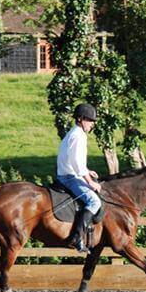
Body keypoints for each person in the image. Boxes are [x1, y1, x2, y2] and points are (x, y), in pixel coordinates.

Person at [57, 102, 102, 253]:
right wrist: (89, 182)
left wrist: (88, 171)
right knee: (94, 201)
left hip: (67, 173)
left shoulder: (73, 133)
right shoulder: (78, 136)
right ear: (81, 119)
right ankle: (76, 237)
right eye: (90, 120)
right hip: (70, 178)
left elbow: (74, 160)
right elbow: (76, 163)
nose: (92, 125)